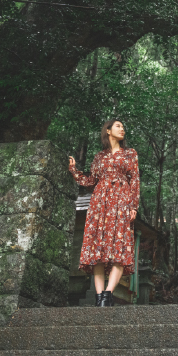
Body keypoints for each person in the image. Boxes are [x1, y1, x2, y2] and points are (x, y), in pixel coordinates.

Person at [68, 119, 140, 307]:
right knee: (97, 249)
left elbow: (135, 180)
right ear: (108, 131)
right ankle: (100, 297)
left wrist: (133, 206)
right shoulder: (99, 157)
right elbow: (91, 181)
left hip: (121, 201)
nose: (122, 129)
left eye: (123, 127)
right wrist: (74, 170)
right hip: (99, 203)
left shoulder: (130, 154)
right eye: (118, 126)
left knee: (120, 248)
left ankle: (108, 294)